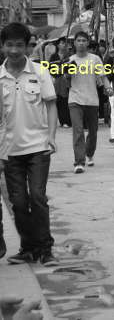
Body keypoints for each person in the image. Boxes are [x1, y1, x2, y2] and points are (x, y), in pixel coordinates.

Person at [0, 22, 58, 266]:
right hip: (9, 149)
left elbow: (51, 104)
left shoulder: (40, 72)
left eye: (19, 45)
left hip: (38, 146)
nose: (14, 50)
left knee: (37, 196)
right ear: (2, 46)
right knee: (19, 202)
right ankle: (28, 248)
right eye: (9, 45)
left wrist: (51, 136)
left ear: (28, 47)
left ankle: (45, 249)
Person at [68, 31, 111, 173]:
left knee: (93, 132)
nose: (81, 43)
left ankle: (89, 153)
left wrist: (108, 87)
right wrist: (67, 73)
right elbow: (66, 80)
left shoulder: (95, 59)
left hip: (92, 100)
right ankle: (79, 162)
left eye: (83, 40)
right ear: (74, 43)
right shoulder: (70, 60)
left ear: (87, 43)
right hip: (74, 100)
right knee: (78, 131)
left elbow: (102, 76)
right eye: (78, 40)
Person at [48, 37, 71, 128]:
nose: (64, 44)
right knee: (59, 100)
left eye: (65, 43)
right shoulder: (54, 56)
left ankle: (68, 120)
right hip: (57, 80)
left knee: (67, 100)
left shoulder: (69, 56)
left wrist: (67, 72)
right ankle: (62, 121)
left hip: (67, 80)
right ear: (58, 45)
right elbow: (50, 68)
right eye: (62, 43)